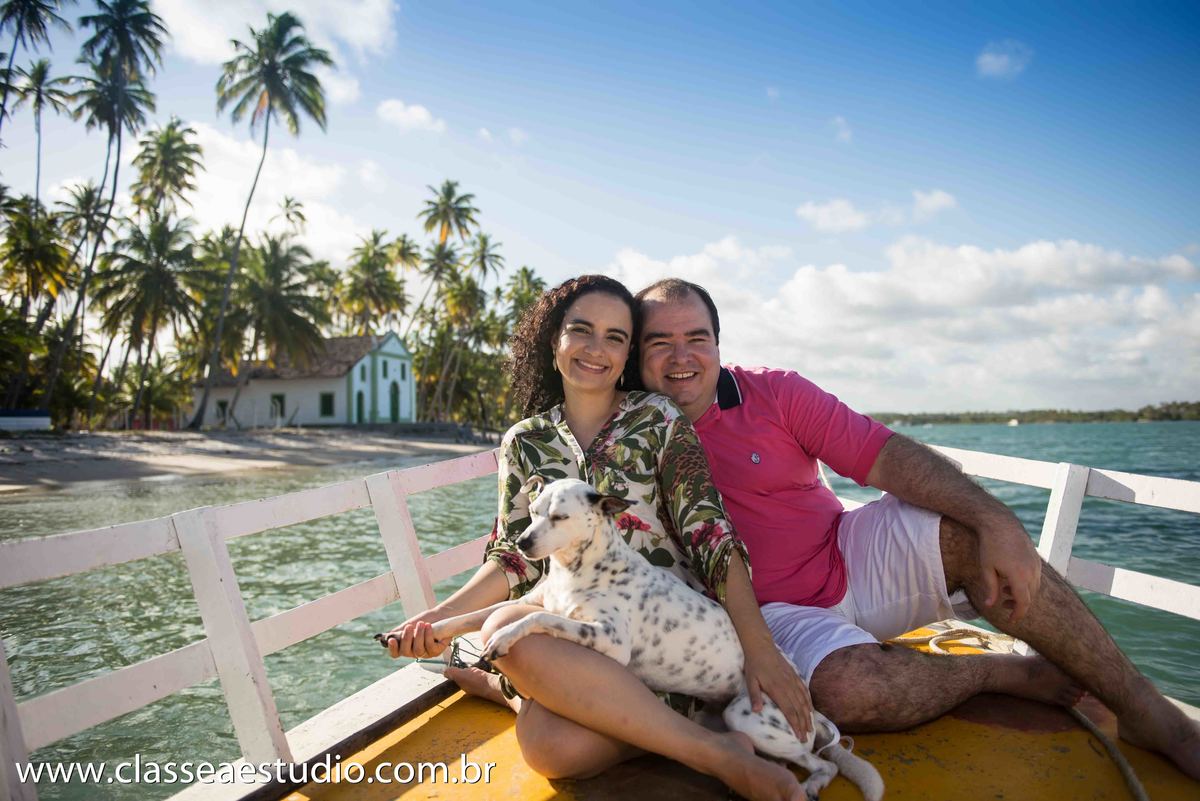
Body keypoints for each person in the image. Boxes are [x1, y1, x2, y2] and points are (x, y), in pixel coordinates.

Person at [634, 276, 1200, 781]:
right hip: (768, 615)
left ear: (717, 343)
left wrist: (995, 519)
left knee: (971, 539)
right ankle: (991, 674)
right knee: (848, 694)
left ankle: (1148, 710)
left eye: (697, 337)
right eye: (661, 342)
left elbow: (886, 457)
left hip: (845, 551)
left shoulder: (774, 392)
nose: (682, 356)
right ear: (638, 354)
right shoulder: (627, 436)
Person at [384, 275, 810, 801]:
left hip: (660, 636)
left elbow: (712, 535)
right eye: (580, 330)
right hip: (578, 630)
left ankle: (512, 688)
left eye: (615, 337)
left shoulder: (658, 419)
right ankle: (715, 749)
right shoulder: (525, 441)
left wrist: (759, 647)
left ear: (628, 352)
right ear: (554, 339)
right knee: (527, 686)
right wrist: (435, 619)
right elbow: (512, 559)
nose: (595, 348)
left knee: (550, 739)